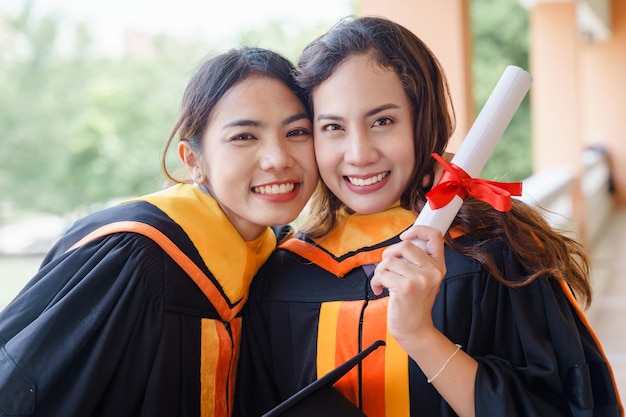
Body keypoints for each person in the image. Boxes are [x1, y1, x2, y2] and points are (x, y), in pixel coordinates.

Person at [234, 17, 623, 417]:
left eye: (383, 121)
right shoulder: (283, 276)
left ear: (424, 123)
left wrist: (420, 336)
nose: (359, 153)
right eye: (333, 126)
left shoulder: (491, 254)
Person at [0, 46, 318, 417]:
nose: (278, 159)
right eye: (244, 137)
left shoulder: (279, 260)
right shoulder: (131, 255)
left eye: (297, 131)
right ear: (194, 162)